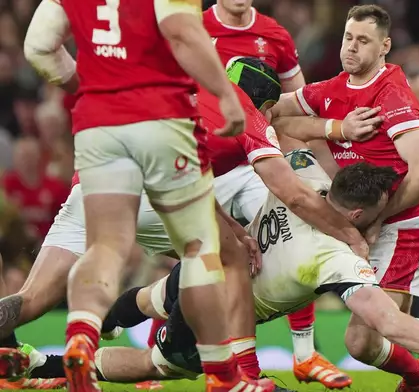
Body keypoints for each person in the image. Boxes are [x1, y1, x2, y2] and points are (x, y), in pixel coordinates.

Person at [0, 58, 368, 390]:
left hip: (93, 184)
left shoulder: (190, 87)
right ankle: (245, 377)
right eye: (271, 110)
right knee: (233, 260)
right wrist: (350, 235)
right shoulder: (246, 114)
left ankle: (68, 342)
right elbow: (294, 194)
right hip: (146, 189)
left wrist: (233, 228)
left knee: (31, 299)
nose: (271, 118)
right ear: (266, 104)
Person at [0, 158, 419, 386]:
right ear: (356, 215)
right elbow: (391, 323)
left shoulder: (304, 175)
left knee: (153, 295)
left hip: (207, 263)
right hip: (218, 317)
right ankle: (43, 368)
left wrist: (336, 129)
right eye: (382, 210)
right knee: (163, 366)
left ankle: (98, 323)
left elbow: (289, 137)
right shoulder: (335, 258)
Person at [21, 0, 272, 390]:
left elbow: (38, 46)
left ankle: (82, 338)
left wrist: (85, 87)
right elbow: (183, 33)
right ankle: (225, 377)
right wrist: (224, 92)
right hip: (158, 119)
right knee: (203, 252)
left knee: (105, 247)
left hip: (98, 122)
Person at [267, 5, 419, 391]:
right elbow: (274, 115)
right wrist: (335, 127)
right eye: (349, 37)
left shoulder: (392, 96)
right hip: (369, 224)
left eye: (363, 41)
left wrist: (378, 218)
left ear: (385, 46)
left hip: (405, 228)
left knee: (362, 340)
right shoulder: (333, 89)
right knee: (387, 331)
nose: (351, 47)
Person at [197, 3, 334, 387]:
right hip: (206, 161)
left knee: (289, 233)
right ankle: (161, 343)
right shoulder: (194, 27)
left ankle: (305, 353)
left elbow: (297, 101)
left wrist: (294, 156)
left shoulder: (275, 35)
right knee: (197, 253)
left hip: (256, 157)